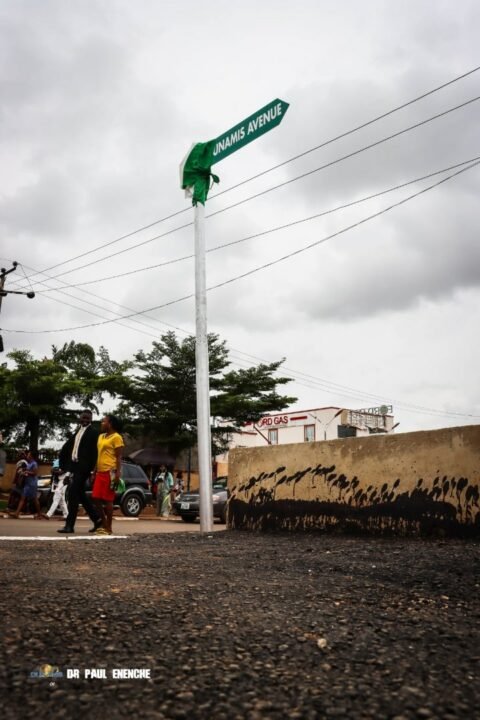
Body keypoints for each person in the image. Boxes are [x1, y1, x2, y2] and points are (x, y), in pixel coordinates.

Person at [57, 409, 101, 534]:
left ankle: (69, 526)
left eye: (88, 418)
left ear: (91, 420)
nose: (85, 420)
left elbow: (94, 453)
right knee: (80, 494)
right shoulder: (78, 432)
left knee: (72, 494)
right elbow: (71, 449)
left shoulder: (94, 433)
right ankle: (97, 519)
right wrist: (66, 467)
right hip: (75, 467)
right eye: (83, 418)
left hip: (84, 468)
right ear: (80, 418)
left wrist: (93, 471)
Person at [91, 414, 124, 535]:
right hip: (100, 471)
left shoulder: (117, 437)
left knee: (108, 500)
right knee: (95, 497)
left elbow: (119, 457)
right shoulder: (100, 437)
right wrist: (94, 472)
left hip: (111, 472)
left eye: (103, 421)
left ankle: (109, 527)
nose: (101, 423)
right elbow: (98, 455)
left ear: (110, 424)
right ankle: (104, 524)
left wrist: (118, 474)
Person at [8, 450, 46, 519]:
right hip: (28, 483)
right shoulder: (30, 463)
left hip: (31, 484)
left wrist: (26, 472)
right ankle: (39, 514)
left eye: (29, 454)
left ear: (31, 456)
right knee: (30, 498)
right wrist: (24, 471)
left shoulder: (34, 463)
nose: (27, 455)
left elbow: (35, 473)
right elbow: (28, 471)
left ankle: (17, 513)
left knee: (28, 498)